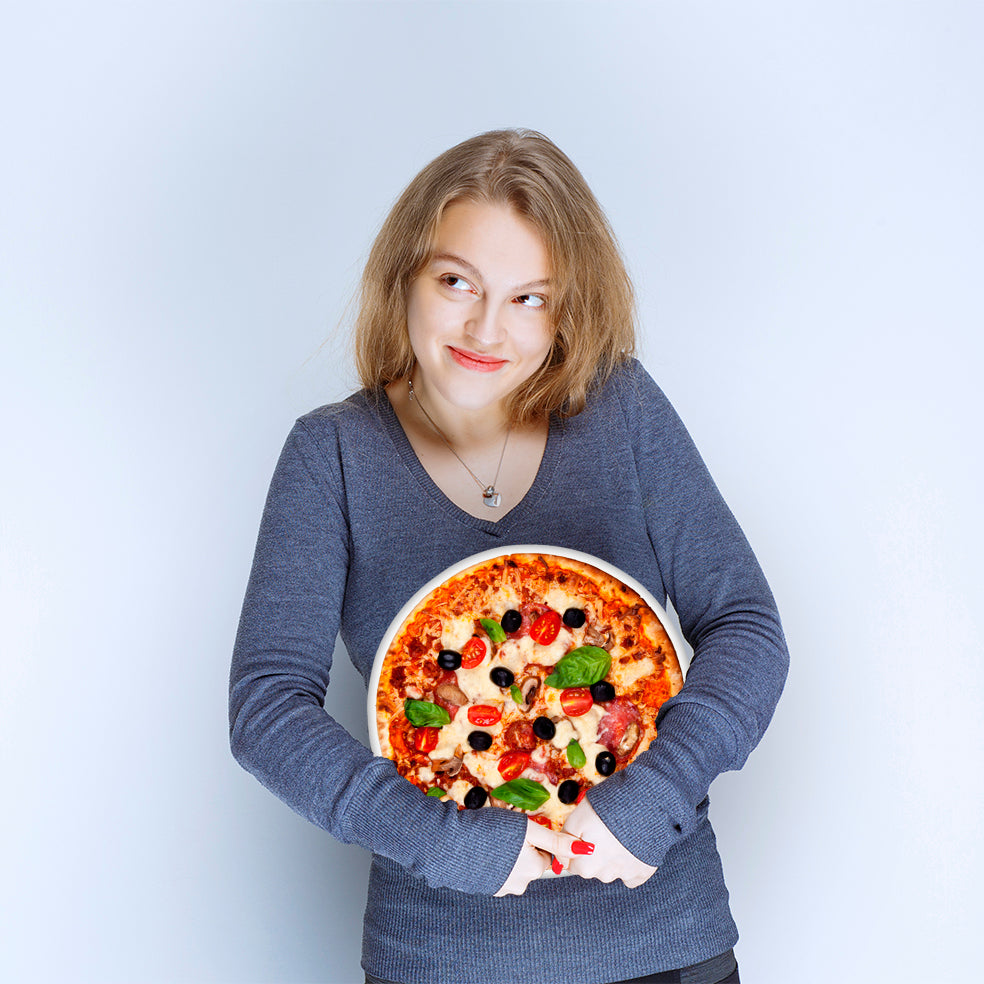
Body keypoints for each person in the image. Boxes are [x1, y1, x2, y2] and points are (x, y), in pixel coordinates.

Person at [229, 129, 788, 984]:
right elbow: (267, 709)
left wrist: (653, 801)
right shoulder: (332, 455)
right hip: (441, 957)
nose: (487, 328)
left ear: (570, 310)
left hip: (665, 945)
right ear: (404, 276)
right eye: (457, 282)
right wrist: (447, 844)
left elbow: (747, 627)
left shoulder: (621, 408)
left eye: (531, 298)